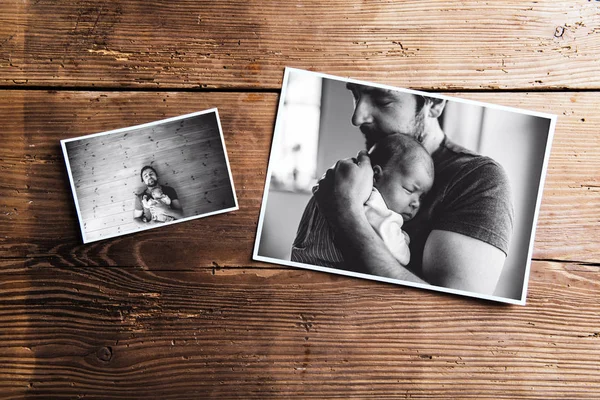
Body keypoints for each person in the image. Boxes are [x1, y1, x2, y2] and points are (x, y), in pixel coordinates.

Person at [312, 82, 514, 295]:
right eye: (355, 94)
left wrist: (347, 211)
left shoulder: (478, 180)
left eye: (382, 100)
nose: (357, 117)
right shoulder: (364, 169)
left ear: (435, 103)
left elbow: (452, 311)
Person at [291, 134, 434, 272]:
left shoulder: (338, 183)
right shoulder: (374, 203)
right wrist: (403, 241)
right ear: (376, 176)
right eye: (409, 190)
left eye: (421, 197)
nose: (416, 203)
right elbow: (398, 255)